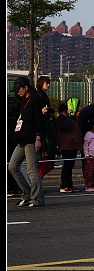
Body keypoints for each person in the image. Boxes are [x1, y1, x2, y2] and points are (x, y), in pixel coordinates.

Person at [8, 75, 46, 208]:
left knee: (31, 170)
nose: (17, 92)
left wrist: (38, 138)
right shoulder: (23, 100)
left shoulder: (35, 100)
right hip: (21, 138)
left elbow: (39, 121)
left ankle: (37, 198)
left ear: (25, 87)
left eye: (18, 89)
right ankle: (27, 193)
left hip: (31, 139)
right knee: (12, 166)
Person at [55, 100, 83, 193]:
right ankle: (64, 185)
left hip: (73, 144)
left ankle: (69, 184)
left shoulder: (73, 118)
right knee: (67, 165)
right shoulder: (62, 118)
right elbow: (65, 127)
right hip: (66, 145)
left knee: (70, 165)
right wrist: (69, 116)